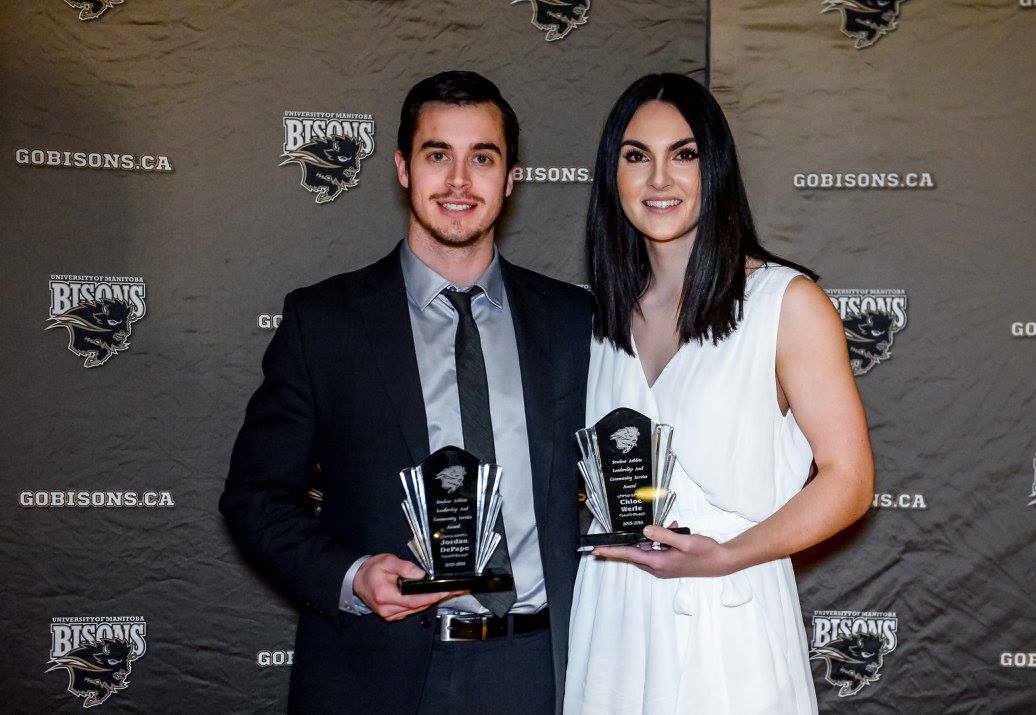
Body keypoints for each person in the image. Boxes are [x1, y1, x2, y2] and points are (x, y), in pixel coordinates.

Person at [221, 70, 592, 714]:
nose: (458, 180)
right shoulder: (324, 322)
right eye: (436, 154)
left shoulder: (574, 321)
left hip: (538, 671)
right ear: (401, 167)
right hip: (373, 674)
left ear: (510, 179)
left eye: (482, 157)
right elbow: (256, 498)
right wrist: (352, 575)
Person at [564, 73, 875, 714]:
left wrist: (727, 556)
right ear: (610, 175)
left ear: (718, 168)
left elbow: (850, 480)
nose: (659, 180)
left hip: (729, 618)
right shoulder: (595, 320)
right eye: (635, 157)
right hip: (613, 620)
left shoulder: (785, 304)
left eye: (684, 155)